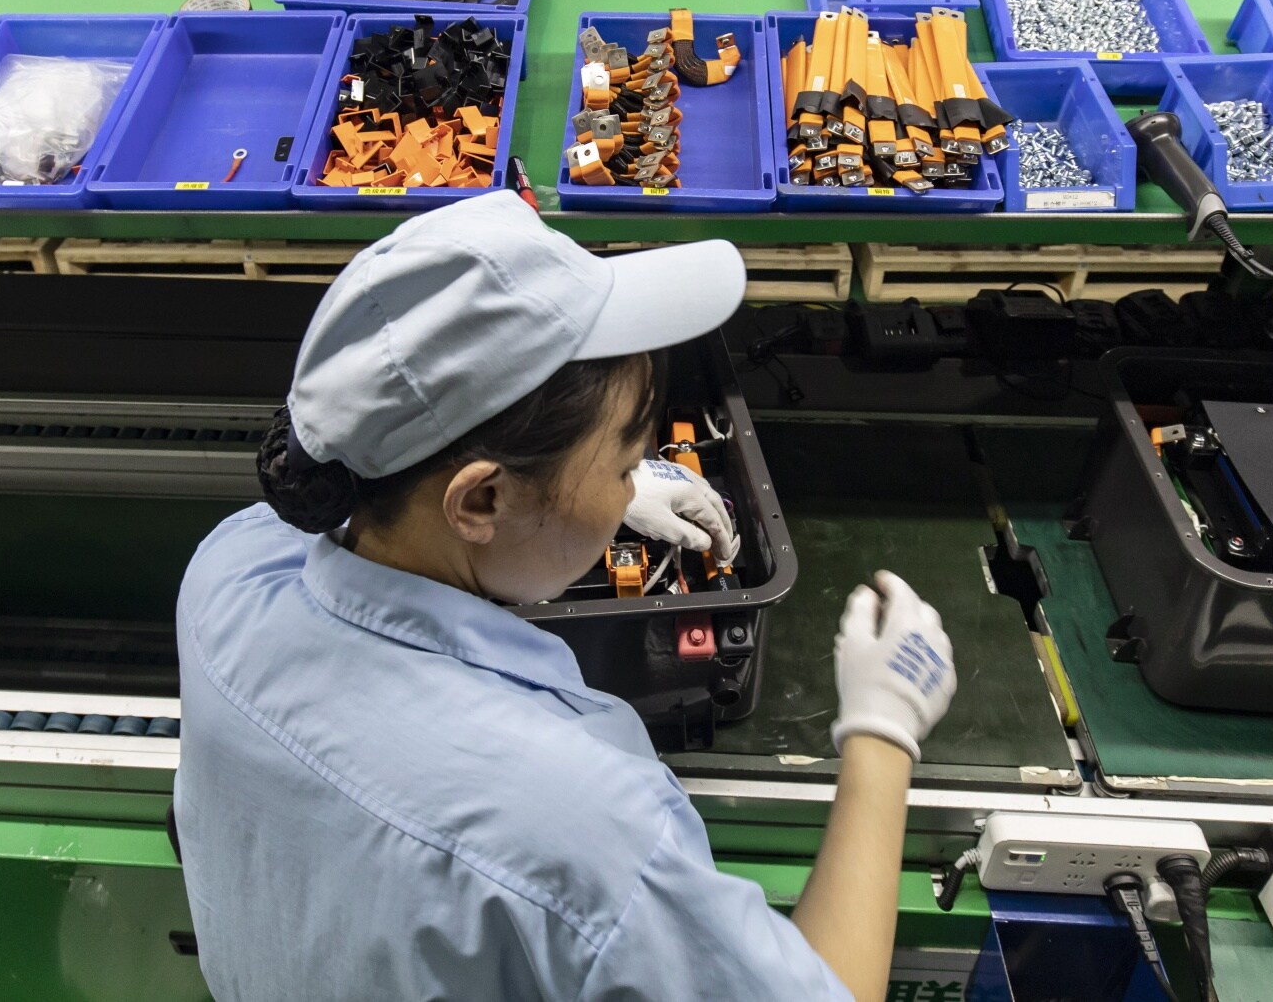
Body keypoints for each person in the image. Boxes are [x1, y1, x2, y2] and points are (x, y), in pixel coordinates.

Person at [176, 190, 957, 1001]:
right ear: (480, 501)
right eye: (623, 465)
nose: (629, 492)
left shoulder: (227, 576)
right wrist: (882, 730)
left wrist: (601, 483)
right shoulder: (583, 827)